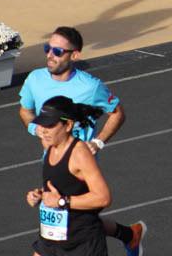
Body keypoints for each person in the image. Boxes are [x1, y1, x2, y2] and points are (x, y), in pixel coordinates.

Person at [19, 27, 146, 255]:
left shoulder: (90, 86)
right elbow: (25, 110)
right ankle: (130, 235)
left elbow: (117, 113)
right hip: (50, 158)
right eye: (48, 48)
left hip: (79, 165)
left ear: (74, 55)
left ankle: (126, 236)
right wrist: (35, 128)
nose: (50, 55)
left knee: (76, 217)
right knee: (75, 217)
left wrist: (97, 143)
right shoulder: (35, 80)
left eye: (58, 51)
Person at [26, 96, 111, 256]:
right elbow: (63, 184)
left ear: (68, 125)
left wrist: (61, 201)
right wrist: (40, 195)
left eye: (50, 125)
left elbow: (103, 198)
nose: (43, 130)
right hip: (51, 239)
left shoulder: (79, 153)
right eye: (42, 123)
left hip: (81, 244)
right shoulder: (49, 145)